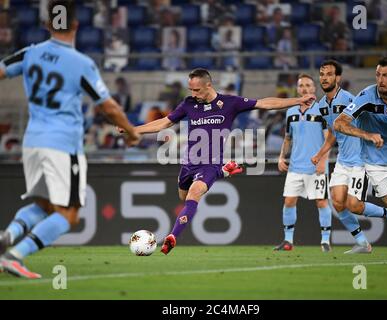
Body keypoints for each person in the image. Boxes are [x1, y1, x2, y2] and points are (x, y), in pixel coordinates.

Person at [0, 0, 140, 278]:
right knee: (69, 215)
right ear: (75, 25)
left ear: (46, 25)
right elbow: (107, 106)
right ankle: (15, 254)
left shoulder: (30, 53)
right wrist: (132, 132)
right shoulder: (81, 64)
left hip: (32, 143)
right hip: (62, 145)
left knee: (45, 205)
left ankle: (9, 235)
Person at [120, 68, 316, 255]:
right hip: (189, 163)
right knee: (184, 197)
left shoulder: (230, 103)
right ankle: (225, 171)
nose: (193, 93)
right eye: (191, 89)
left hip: (210, 164)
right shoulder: (188, 103)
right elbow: (164, 123)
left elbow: (265, 103)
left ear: (209, 85)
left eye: (197, 89)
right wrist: (133, 129)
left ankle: (173, 236)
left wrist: (298, 100)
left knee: (194, 194)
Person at [334, 57, 387, 258]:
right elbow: (339, 123)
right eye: (378, 75)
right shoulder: (365, 97)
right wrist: (367, 135)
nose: (380, 80)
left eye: (386, 75)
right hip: (376, 162)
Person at [312, 60, 387, 254]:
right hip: (343, 160)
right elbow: (334, 132)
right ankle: (362, 242)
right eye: (322, 74)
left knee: (354, 205)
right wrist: (320, 153)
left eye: (329, 74)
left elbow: (366, 120)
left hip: (360, 159)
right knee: (337, 201)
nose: (324, 78)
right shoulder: (322, 105)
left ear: (337, 78)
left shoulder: (349, 99)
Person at [273, 74, 333, 253]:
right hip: (295, 166)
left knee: (321, 202)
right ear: (297, 89)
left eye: (308, 85)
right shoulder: (290, 112)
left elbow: (328, 138)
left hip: (316, 167)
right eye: (301, 86)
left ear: (314, 89)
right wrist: (281, 157)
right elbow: (288, 138)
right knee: (289, 201)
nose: (305, 88)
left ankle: (325, 241)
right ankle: (288, 241)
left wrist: (323, 161)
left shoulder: (323, 110)